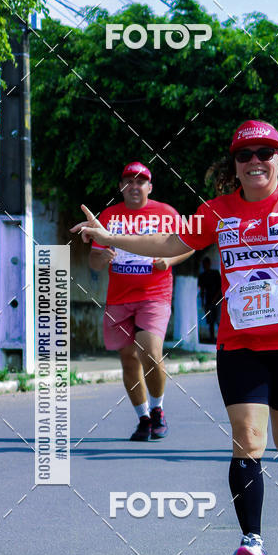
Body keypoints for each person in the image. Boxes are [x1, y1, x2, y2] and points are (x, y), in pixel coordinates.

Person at [73, 120, 278, 555]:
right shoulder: (217, 211)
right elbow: (169, 241)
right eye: (245, 154)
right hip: (239, 344)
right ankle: (252, 543)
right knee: (248, 440)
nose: (255, 160)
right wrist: (110, 237)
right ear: (234, 165)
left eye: (265, 152)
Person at [88, 162, 193, 441]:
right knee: (128, 359)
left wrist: (169, 259)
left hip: (154, 295)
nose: (134, 186)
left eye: (140, 181)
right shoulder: (108, 216)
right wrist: (101, 257)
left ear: (150, 187)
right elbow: (94, 261)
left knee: (150, 349)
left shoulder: (166, 213)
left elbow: (188, 244)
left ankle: (158, 409)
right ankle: (143, 418)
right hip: (119, 299)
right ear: (121, 186)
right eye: (128, 181)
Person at [197, 256, 222, 343]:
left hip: (218, 300)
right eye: (204, 264)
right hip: (208, 301)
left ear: (209, 264)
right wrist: (203, 302)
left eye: (206, 264)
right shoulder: (202, 276)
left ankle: (221, 339)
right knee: (210, 321)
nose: (205, 266)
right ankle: (212, 339)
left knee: (219, 320)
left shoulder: (215, 273)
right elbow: (202, 290)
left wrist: (215, 299)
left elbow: (220, 287)